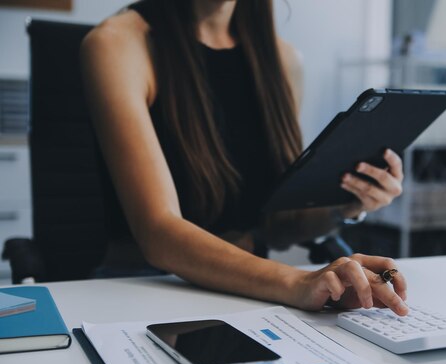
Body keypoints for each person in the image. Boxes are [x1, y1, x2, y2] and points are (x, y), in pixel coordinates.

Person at [80, 0, 409, 315]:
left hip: (248, 293)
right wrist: (298, 281)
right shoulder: (117, 45)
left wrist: (349, 202)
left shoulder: (283, 59)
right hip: (142, 289)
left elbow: (275, 225)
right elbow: (159, 233)